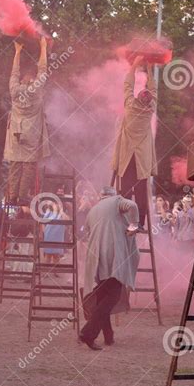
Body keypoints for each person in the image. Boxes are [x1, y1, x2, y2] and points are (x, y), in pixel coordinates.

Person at [80, 186, 140, 350]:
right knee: (112, 296)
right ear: (113, 196)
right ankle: (87, 333)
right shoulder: (116, 201)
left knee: (102, 298)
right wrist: (134, 225)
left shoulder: (93, 210)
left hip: (96, 260)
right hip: (112, 257)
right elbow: (133, 206)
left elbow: (87, 233)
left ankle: (108, 336)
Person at [112, 56, 157, 231]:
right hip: (142, 159)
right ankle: (139, 223)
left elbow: (127, 85)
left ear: (138, 98)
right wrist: (150, 69)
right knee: (140, 191)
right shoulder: (150, 109)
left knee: (124, 189)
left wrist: (135, 66)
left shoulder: (130, 105)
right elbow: (153, 88)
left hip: (127, 156)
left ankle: (124, 219)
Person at [4, 38, 50, 205]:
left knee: (15, 164)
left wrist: (17, 52)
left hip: (15, 132)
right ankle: (22, 195)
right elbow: (43, 70)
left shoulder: (14, 90)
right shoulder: (35, 91)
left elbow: (14, 73)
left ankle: (11, 196)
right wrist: (43, 47)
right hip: (31, 133)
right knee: (29, 165)